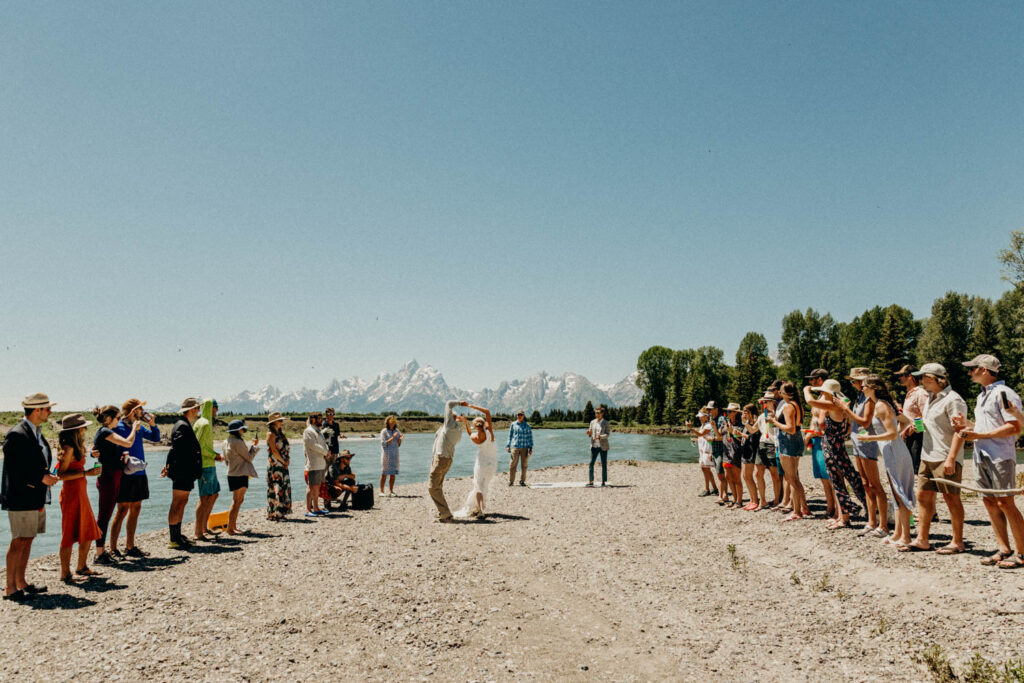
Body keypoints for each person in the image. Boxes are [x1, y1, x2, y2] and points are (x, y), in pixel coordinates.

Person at [953, 354, 1024, 569]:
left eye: (973, 368)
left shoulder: (1004, 393)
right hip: (982, 454)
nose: (969, 372)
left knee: (1005, 502)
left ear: (984, 370)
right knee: (989, 501)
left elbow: (1014, 427)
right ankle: (1004, 548)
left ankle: (1022, 552)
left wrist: (979, 436)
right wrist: (968, 425)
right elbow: (989, 426)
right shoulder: (984, 395)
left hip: (1000, 456)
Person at [905, 364, 968, 554]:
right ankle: (922, 539)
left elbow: (960, 431)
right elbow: (931, 423)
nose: (921, 381)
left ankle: (957, 542)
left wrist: (951, 459)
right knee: (923, 496)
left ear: (936, 379)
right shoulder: (931, 398)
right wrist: (916, 426)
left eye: (924, 377)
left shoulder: (954, 399)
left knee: (951, 498)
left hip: (945, 456)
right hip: (927, 455)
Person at [2, 393, 59, 601]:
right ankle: (10, 588)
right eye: (47, 409)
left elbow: (35, 462)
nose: (50, 412)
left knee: (28, 538)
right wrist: (41, 478)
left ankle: (21, 581)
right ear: (37, 411)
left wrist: (46, 476)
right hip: (21, 495)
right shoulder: (17, 433)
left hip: (35, 494)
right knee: (19, 540)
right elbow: (14, 468)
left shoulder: (34, 432)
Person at [856, 376, 916, 549]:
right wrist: (900, 433)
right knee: (895, 491)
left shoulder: (881, 405)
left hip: (893, 450)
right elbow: (905, 421)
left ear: (873, 387)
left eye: (864, 386)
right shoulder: (883, 404)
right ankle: (897, 533)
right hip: (892, 450)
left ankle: (905, 537)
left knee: (899, 492)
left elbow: (892, 434)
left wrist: (869, 438)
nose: (862, 389)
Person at [807, 380, 866, 530]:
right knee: (845, 479)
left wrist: (806, 389)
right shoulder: (839, 404)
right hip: (836, 446)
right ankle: (844, 515)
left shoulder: (832, 404)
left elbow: (810, 402)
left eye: (823, 392)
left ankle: (845, 517)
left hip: (832, 447)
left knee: (838, 482)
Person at [838, 367, 888, 536]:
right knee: (866, 484)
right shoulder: (860, 397)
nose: (852, 384)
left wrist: (845, 409)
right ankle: (871, 521)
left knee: (875, 484)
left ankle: (884, 524)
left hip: (868, 442)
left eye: (855, 381)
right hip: (857, 441)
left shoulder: (870, 399)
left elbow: (866, 422)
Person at [109, 398, 160, 559]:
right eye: (139, 409)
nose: (142, 412)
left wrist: (153, 424)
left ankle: (130, 546)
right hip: (125, 474)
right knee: (122, 509)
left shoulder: (138, 427)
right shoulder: (119, 427)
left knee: (136, 508)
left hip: (139, 472)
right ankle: (113, 548)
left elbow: (155, 438)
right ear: (133, 411)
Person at [91, 404, 141, 565]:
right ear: (108, 419)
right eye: (117, 418)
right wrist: (134, 428)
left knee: (106, 514)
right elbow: (127, 443)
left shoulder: (105, 432)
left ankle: (102, 551)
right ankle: (99, 553)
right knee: (104, 515)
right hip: (108, 477)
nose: (119, 420)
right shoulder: (105, 431)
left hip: (112, 476)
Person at [55, 413, 102, 582]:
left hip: (80, 492)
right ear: (76, 430)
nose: (86, 429)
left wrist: (91, 456)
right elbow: (60, 475)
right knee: (69, 533)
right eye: (83, 426)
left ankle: (81, 567)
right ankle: (65, 573)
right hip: (71, 494)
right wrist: (85, 473)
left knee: (88, 530)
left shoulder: (77, 446)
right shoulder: (68, 449)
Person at [162, 397, 203, 549]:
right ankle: (174, 538)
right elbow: (177, 450)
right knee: (178, 502)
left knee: (182, 501)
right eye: (197, 409)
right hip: (182, 471)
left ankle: (177, 535)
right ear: (191, 410)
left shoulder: (183, 424)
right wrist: (170, 465)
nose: (198, 412)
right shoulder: (182, 426)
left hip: (184, 471)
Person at [767, 382, 808, 521]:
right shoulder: (797, 404)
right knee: (793, 478)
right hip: (795, 440)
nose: (778, 393)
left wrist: (774, 422)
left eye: (780, 391)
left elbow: (790, 428)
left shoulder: (788, 406)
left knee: (791, 478)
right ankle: (803, 508)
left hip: (788, 441)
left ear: (785, 393)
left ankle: (797, 511)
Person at [429, 399, 470, 522]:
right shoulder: (457, 430)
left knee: (432, 487)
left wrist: (460, 403)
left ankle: (445, 513)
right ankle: (443, 512)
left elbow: (448, 404)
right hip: (446, 459)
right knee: (438, 486)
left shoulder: (448, 426)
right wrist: (460, 419)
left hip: (440, 459)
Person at [803, 370, 836, 520]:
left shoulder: (830, 397)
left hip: (825, 438)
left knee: (830, 475)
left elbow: (825, 422)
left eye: (813, 380)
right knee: (823, 476)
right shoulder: (820, 396)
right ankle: (830, 508)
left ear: (821, 380)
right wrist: (808, 435)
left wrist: (812, 433)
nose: (811, 383)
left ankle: (837, 510)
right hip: (816, 439)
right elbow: (814, 418)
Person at [454, 409, 497, 518]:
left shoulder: (476, 438)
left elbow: (469, 433)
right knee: (485, 485)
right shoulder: (490, 432)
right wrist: (471, 406)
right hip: (492, 464)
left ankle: (481, 509)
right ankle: (480, 507)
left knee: (478, 486)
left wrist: (465, 423)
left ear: (475, 426)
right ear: (484, 424)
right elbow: (487, 412)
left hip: (481, 463)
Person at [192, 398, 223, 540]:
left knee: (213, 494)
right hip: (205, 466)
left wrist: (214, 457)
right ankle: (198, 532)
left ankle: (204, 528)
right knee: (204, 498)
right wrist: (215, 455)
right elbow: (198, 447)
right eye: (215, 407)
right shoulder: (204, 424)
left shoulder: (206, 423)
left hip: (210, 465)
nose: (217, 410)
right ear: (210, 407)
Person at [223, 420, 259, 535]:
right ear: (238, 430)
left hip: (232, 474)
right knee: (237, 501)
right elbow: (249, 458)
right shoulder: (238, 442)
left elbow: (227, 461)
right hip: (240, 474)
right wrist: (254, 446)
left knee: (237, 500)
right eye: (242, 429)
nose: (243, 430)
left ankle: (232, 527)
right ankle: (230, 528)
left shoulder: (225, 442)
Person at [894, 364, 929, 473]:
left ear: (910, 376)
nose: (899, 378)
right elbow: (913, 415)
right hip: (908, 437)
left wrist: (912, 429)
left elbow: (925, 416)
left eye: (901, 375)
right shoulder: (910, 394)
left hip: (917, 437)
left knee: (915, 470)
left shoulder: (921, 393)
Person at [755, 392, 781, 508]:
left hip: (772, 444)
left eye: (766, 401)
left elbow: (779, 426)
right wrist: (745, 422)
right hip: (762, 444)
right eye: (763, 402)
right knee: (758, 473)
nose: (763, 404)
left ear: (772, 402)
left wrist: (773, 416)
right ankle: (763, 501)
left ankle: (776, 500)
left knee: (774, 475)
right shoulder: (761, 416)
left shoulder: (778, 414)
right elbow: (753, 430)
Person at [266, 412, 292, 521]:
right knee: (277, 488)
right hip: (276, 465)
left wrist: (287, 460)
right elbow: (273, 450)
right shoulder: (270, 434)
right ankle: (275, 513)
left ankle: (279, 512)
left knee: (283, 487)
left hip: (282, 464)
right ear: (273, 423)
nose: (281, 422)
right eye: (279, 420)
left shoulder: (280, 434)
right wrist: (283, 461)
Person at [302, 412, 329, 517]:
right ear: (313, 419)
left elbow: (323, 444)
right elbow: (313, 445)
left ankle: (316, 507)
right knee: (311, 486)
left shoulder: (319, 431)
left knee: (317, 486)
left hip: (321, 462)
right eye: (319, 418)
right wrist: (325, 452)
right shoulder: (308, 431)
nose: (321, 420)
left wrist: (327, 451)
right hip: (313, 463)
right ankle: (308, 509)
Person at [720, 403, 744, 508]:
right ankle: (734, 499)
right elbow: (720, 434)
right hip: (725, 453)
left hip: (736, 453)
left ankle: (739, 501)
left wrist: (732, 432)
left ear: (736, 413)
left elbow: (742, 439)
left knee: (736, 478)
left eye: (730, 411)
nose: (728, 413)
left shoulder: (741, 425)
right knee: (728, 477)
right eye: (727, 411)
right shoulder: (725, 422)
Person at [739, 404, 761, 511]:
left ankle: (756, 500)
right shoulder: (747, 422)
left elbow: (753, 431)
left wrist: (745, 423)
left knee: (749, 476)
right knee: (745, 476)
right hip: (745, 449)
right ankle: (751, 500)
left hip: (752, 450)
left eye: (746, 411)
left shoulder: (756, 421)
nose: (744, 413)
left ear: (751, 412)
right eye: (743, 411)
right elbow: (748, 435)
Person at [704, 402, 727, 503]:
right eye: (708, 410)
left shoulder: (721, 419)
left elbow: (721, 437)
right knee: (719, 474)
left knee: (721, 474)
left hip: (721, 450)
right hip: (715, 450)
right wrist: (710, 451)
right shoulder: (712, 419)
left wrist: (712, 437)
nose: (709, 412)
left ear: (716, 409)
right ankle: (724, 495)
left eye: (710, 409)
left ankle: (721, 496)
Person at [506, 409, 534, 487]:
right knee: (512, 464)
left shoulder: (527, 426)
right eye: (518, 415)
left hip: (525, 447)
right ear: (516, 415)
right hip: (515, 447)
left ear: (524, 416)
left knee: (524, 465)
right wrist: (508, 445)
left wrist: (531, 447)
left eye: (521, 415)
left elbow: (530, 437)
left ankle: (522, 481)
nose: (519, 416)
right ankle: (511, 481)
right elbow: (510, 436)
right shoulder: (513, 424)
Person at [586, 404, 611, 487]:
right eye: (595, 413)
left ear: (602, 413)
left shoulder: (606, 423)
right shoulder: (592, 422)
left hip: (603, 446)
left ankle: (603, 482)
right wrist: (589, 433)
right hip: (594, 446)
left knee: (604, 464)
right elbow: (590, 433)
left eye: (598, 413)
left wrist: (600, 437)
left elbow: (607, 435)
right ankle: (590, 481)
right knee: (591, 463)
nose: (596, 414)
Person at [694, 411, 717, 496]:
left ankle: (707, 489)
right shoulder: (703, 425)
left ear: (706, 416)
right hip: (703, 450)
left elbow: (701, 434)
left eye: (701, 417)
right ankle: (714, 488)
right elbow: (703, 437)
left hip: (707, 450)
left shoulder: (708, 425)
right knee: (706, 470)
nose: (700, 418)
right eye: (699, 417)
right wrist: (696, 440)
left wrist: (691, 428)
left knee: (705, 469)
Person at [380, 415, 402, 496]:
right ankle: (381, 491)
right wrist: (392, 438)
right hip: (386, 454)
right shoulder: (384, 431)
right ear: (388, 422)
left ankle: (391, 491)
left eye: (394, 422)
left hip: (395, 454)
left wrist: (400, 439)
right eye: (391, 422)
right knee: (384, 473)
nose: (392, 424)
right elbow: (383, 444)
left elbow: (399, 445)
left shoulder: (397, 431)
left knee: (392, 473)